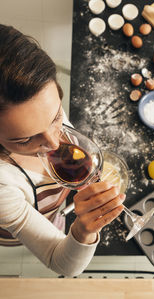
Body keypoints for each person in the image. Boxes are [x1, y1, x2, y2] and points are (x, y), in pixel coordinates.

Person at [0, 24, 126, 277]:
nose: (55, 143)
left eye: (56, 116)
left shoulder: (38, 105)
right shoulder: (4, 188)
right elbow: (61, 262)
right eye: (25, 140)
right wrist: (83, 231)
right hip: (21, 225)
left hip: (57, 208)